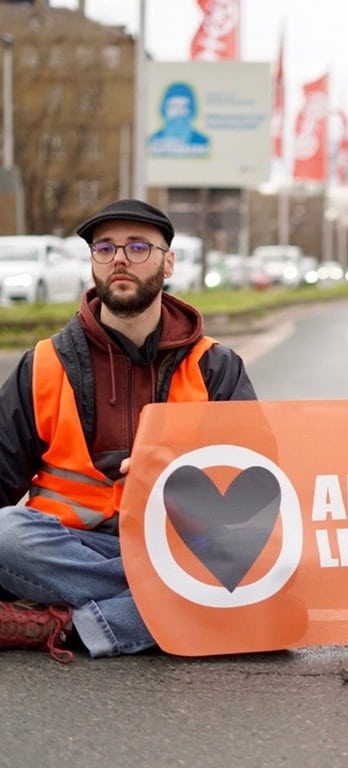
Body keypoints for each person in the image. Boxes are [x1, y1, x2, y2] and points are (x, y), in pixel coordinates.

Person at [0, 198, 256, 663]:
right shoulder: (44, 363)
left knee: (257, 560)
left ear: (169, 262)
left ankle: (65, 625)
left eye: (138, 247)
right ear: (93, 262)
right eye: (105, 248)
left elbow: (257, 486)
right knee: (4, 533)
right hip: (72, 544)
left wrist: (180, 478)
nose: (119, 258)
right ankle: (180, 603)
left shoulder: (215, 365)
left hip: (182, 545)